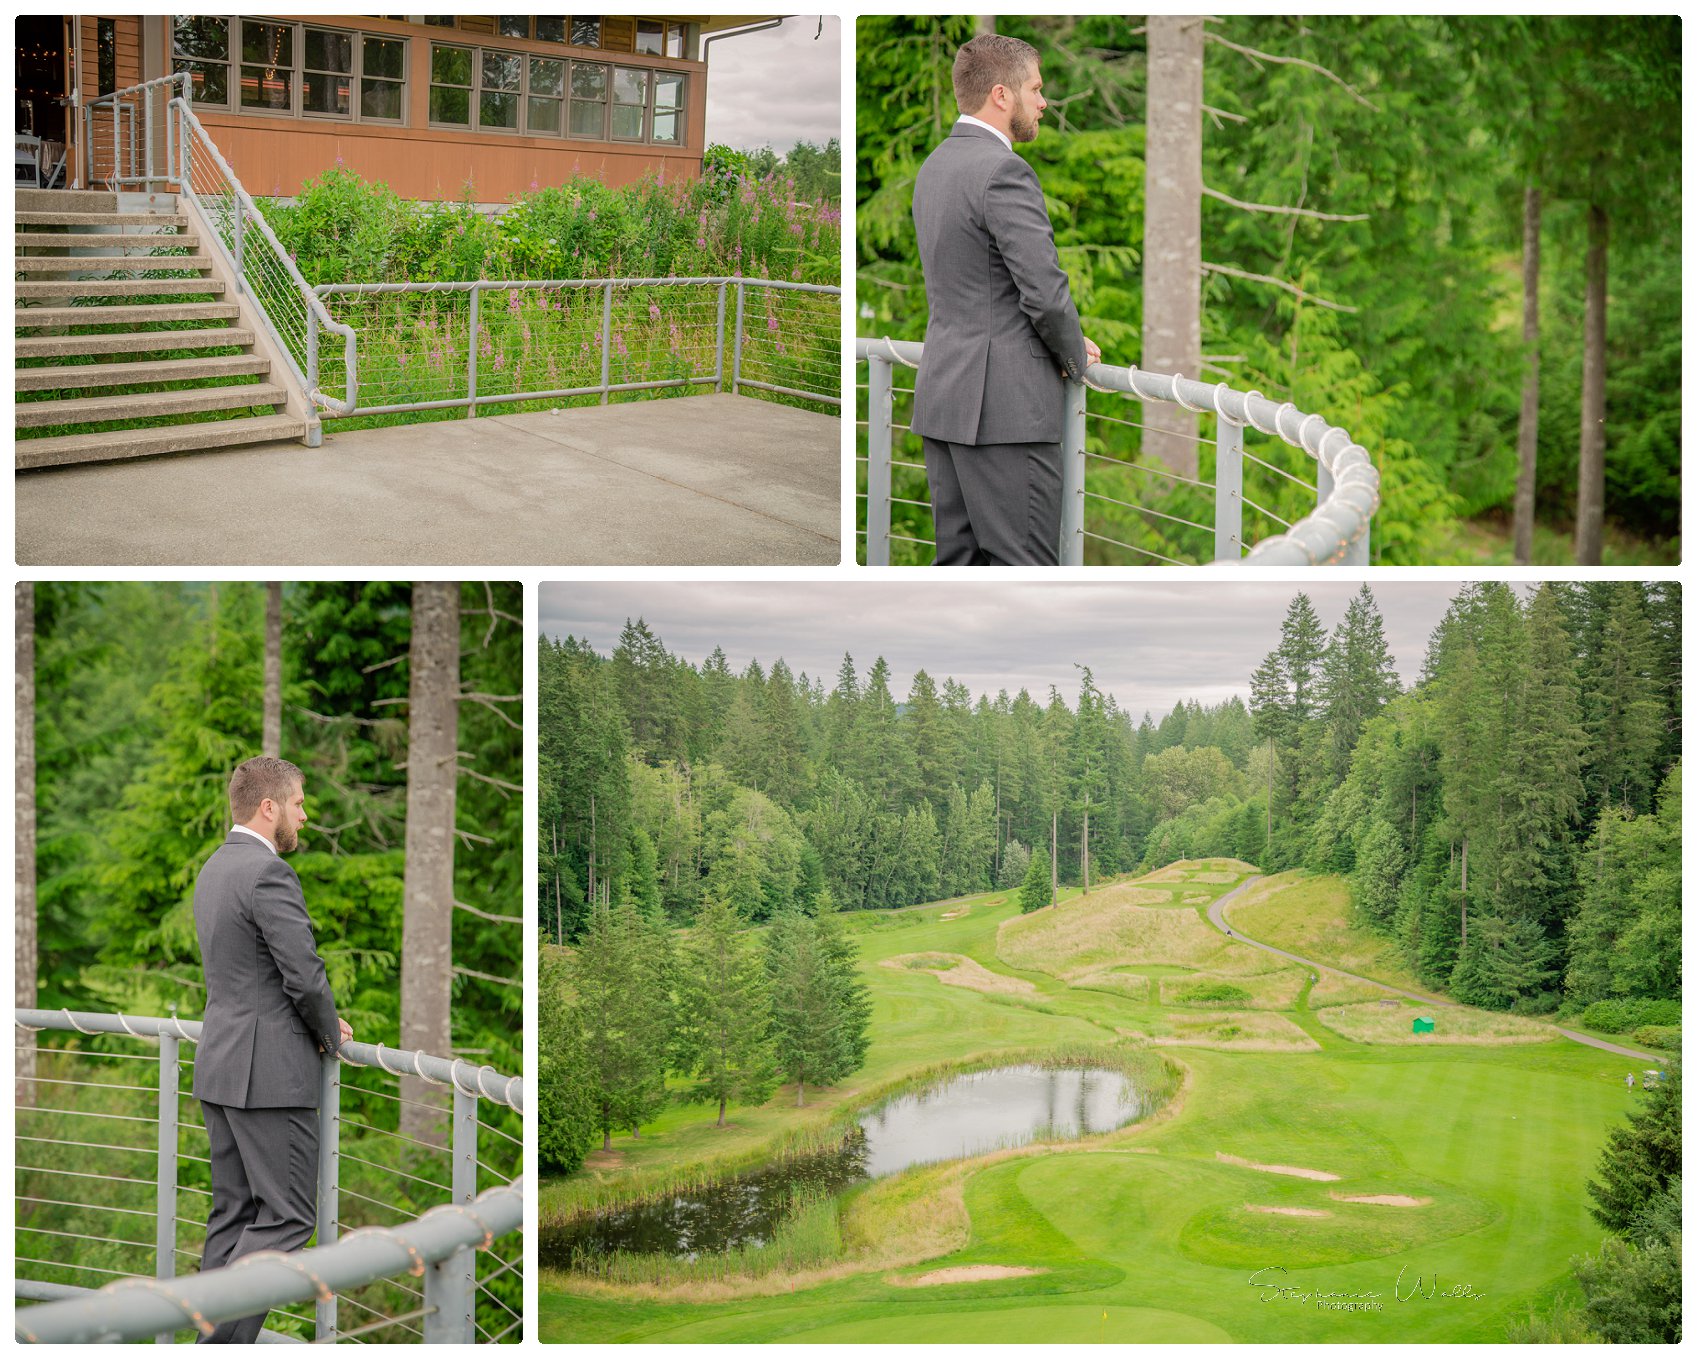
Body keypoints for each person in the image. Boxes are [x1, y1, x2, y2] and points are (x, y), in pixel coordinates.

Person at [910, 33, 1101, 565]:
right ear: (1002, 94)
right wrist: (1072, 355)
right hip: (1007, 411)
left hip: (946, 400)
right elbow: (1043, 291)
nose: (1044, 102)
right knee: (1026, 571)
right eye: (1036, 89)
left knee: (959, 567)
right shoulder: (1004, 171)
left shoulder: (936, 167)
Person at [192, 756, 351, 1344]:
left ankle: (206, 1341)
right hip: (269, 1077)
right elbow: (303, 976)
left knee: (232, 1216)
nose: (304, 817)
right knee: (286, 1218)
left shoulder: (215, 868)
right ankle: (217, 1349)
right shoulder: (268, 873)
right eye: (299, 804)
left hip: (221, 1067)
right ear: (269, 807)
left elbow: (246, 976)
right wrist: (329, 1032)